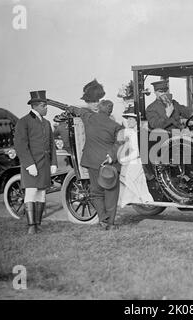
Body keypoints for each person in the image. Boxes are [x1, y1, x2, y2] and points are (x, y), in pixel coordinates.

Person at [64, 99, 123, 230]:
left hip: (92, 162)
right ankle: (111, 224)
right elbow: (119, 143)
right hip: (109, 164)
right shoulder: (116, 126)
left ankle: (102, 218)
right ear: (110, 111)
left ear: (98, 109)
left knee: (96, 192)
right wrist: (111, 156)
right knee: (111, 194)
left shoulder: (89, 118)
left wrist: (69, 108)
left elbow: (78, 111)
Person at [14, 90, 57, 235]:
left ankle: (38, 224)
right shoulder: (23, 121)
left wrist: (53, 163)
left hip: (44, 164)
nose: (46, 108)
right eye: (44, 106)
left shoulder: (47, 123)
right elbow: (21, 145)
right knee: (31, 192)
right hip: (32, 164)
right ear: (36, 106)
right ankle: (31, 226)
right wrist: (29, 164)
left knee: (42, 194)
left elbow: (52, 145)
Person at [117, 107, 153, 207]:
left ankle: (142, 199)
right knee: (129, 178)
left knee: (128, 177)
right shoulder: (132, 133)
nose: (128, 121)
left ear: (137, 120)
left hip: (140, 161)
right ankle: (141, 199)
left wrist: (125, 159)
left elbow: (138, 152)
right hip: (136, 160)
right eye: (127, 119)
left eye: (131, 119)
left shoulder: (140, 133)